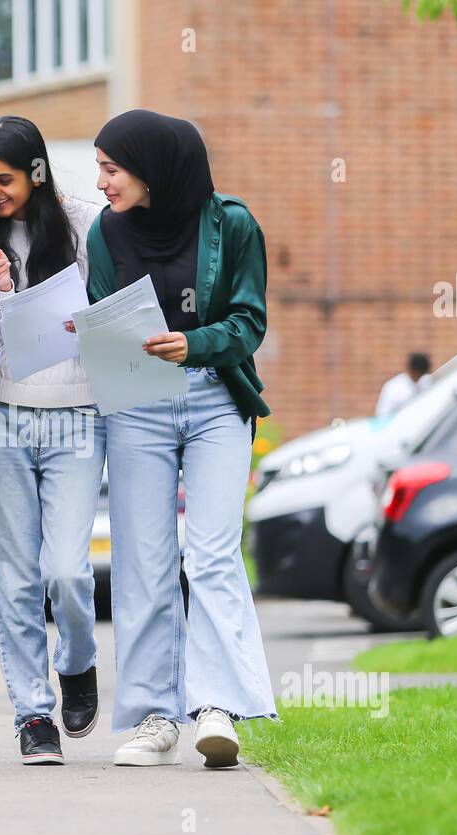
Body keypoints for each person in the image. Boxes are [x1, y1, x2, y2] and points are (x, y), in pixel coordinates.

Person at [84, 109, 278, 769]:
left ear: (154, 168)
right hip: (138, 404)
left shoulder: (233, 224)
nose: (102, 180)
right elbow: (106, 317)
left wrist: (193, 343)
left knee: (214, 552)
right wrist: (93, 338)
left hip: (216, 398)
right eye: (101, 167)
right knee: (142, 559)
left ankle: (217, 707)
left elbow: (249, 322)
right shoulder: (105, 232)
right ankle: (153, 716)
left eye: (112, 168)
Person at [0, 116, 106, 766]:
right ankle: (33, 715)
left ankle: (77, 663)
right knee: (14, 580)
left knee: (67, 573)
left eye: (6, 179)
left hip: (77, 416)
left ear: (37, 172)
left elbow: (115, 307)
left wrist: (87, 317)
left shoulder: (84, 223)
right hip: (0, 416)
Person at [375, 352, 432, 418]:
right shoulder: (394, 388)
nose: (419, 378)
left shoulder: (427, 381)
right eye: (418, 374)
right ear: (411, 370)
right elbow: (383, 415)